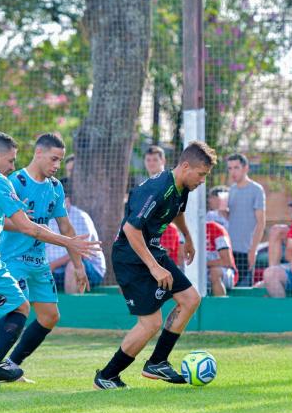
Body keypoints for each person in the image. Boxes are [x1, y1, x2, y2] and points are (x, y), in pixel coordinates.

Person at [93, 141, 217, 390]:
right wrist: (154, 267)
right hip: (131, 256)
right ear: (185, 166)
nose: (203, 180)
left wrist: (188, 239)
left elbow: (178, 211)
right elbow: (130, 229)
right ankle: (106, 376)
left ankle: (158, 362)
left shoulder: (182, 186)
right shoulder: (158, 189)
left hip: (151, 250)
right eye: (201, 174)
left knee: (191, 299)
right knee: (150, 324)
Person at [0, 132, 100, 384]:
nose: (56, 166)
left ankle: (10, 364)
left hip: (38, 261)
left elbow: (66, 228)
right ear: (38, 153)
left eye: (60, 161)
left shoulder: (55, 188)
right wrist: (25, 222)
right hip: (12, 259)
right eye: (53, 159)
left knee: (49, 316)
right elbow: (14, 224)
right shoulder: (13, 180)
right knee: (16, 308)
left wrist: (78, 265)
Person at [46, 178, 106, 293]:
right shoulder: (47, 216)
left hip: (89, 269)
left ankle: (72, 308)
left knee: (72, 265)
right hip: (55, 271)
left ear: (67, 200)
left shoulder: (80, 217)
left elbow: (81, 252)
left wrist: (53, 265)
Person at [227, 153, 266, 286]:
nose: (233, 172)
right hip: (229, 251)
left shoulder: (257, 190)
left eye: (236, 167)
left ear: (245, 168)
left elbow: (261, 223)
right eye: (230, 168)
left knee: (243, 291)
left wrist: (253, 250)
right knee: (229, 290)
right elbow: (231, 218)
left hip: (246, 251)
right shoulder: (231, 190)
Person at [144, 145, 183, 266]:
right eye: (148, 160)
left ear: (163, 161)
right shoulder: (144, 186)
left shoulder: (172, 182)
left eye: (155, 160)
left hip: (168, 230)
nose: (151, 163)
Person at [206, 221, 238, 296]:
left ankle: (220, 306)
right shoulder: (186, 231)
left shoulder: (215, 229)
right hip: (201, 272)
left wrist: (201, 264)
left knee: (214, 272)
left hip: (225, 272)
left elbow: (226, 262)